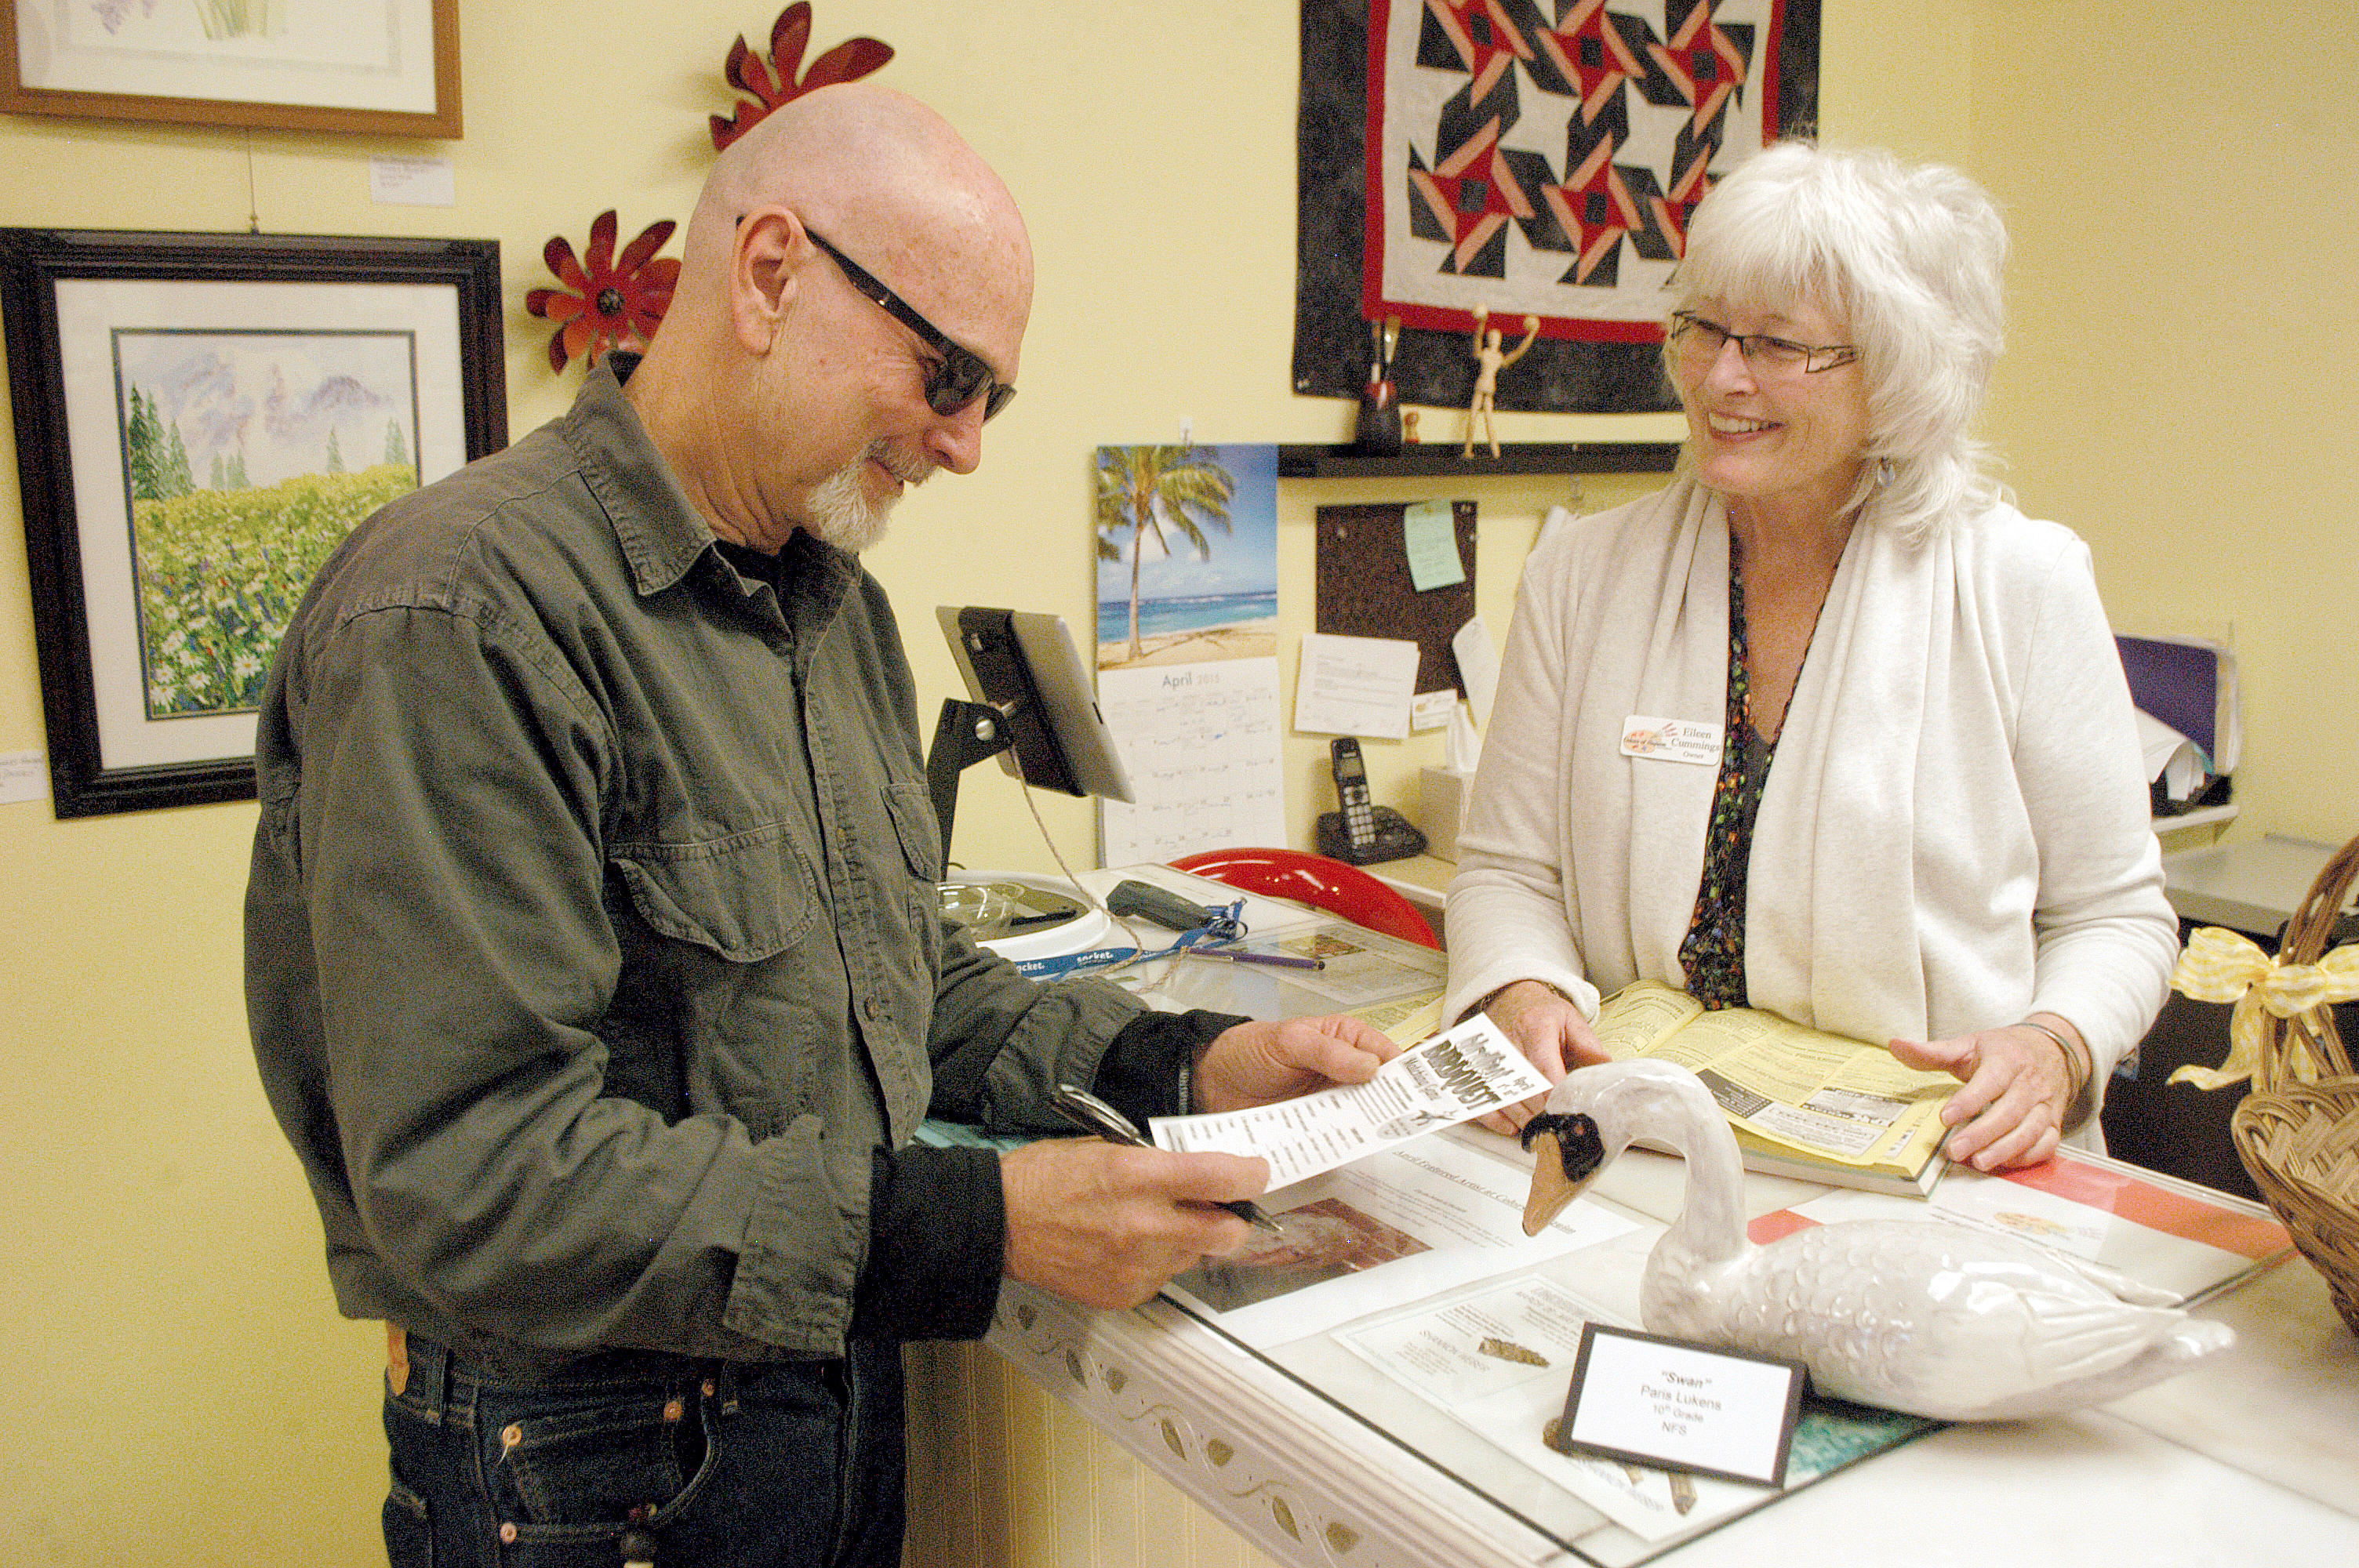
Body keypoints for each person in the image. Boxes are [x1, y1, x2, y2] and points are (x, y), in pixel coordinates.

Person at [244, 83, 1395, 1568]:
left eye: (994, 397)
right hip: (585, 1474)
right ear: (770, 273)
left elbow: (892, 988)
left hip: (825, 1414)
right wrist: (979, 1229)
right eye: (946, 374)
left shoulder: (830, 611)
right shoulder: (461, 613)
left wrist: (1177, 1059)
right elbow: (476, 1175)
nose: (965, 444)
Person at [1442, 141, 2178, 1174]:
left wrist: (2056, 1044)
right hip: (1631, 1156)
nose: (1720, 377)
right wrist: (1520, 989)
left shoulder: (2023, 583)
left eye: (1780, 344)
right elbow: (1507, 872)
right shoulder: (1582, 574)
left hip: (1945, 1175)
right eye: (1704, 328)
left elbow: (2118, 916)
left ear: (1899, 370)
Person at [1463, 304, 1540, 456]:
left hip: (1490, 389)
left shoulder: (1499, 358)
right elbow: (1478, 339)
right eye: (1493, 337)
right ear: (1489, 339)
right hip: (1480, 387)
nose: (1496, 340)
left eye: (1498, 338)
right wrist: (1482, 323)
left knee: (1489, 421)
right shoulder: (1484, 353)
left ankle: (1496, 453)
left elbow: (1518, 353)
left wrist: (1531, 335)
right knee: (1472, 419)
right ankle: (1467, 450)